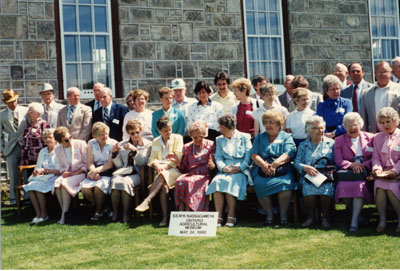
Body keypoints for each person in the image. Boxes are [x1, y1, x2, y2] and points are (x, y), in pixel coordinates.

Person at [251, 110, 298, 226]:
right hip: (263, 168)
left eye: (271, 122)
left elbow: (289, 153)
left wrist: (275, 164)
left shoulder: (286, 136)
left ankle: (283, 216)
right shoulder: (260, 137)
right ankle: (269, 215)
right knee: (260, 184)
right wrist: (263, 165)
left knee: (285, 185)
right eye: (265, 122)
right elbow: (254, 154)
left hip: (283, 168)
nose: (268, 125)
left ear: (278, 124)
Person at [135, 116, 183, 226]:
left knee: (163, 174)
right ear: (159, 131)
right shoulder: (156, 141)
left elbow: (179, 156)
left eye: (170, 129)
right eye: (165, 131)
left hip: (174, 170)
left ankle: (147, 200)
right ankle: (165, 217)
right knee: (164, 187)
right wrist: (156, 163)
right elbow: (151, 159)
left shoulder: (178, 138)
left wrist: (166, 166)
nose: (169, 132)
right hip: (160, 172)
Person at [206, 114, 252, 227]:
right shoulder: (219, 139)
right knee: (217, 182)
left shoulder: (245, 137)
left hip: (240, 169)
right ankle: (218, 216)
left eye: (222, 128)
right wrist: (223, 168)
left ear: (231, 128)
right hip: (225, 169)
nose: (220, 129)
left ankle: (231, 216)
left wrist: (240, 168)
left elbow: (248, 156)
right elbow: (218, 157)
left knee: (229, 182)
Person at [334, 112, 374, 232]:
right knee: (342, 186)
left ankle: (354, 221)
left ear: (360, 125)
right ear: (344, 127)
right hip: (348, 173)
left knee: (359, 186)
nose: (352, 128)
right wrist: (351, 165)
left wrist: (363, 165)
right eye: (348, 125)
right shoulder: (339, 140)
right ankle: (358, 216)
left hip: (365, 173)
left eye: (354, 125)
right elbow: (338, 160)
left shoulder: (371, 138)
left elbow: (375, 157)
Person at [294, 116, 335, 228]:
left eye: (321, 128)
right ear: (308, 130)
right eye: (316, 128)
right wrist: (305, 167)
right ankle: (311, 217)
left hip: (326, 177)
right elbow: (296, 162)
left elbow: (337, 161)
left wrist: (329, 169)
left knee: (325, 191)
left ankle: (325, 217)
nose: (319, 131)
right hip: (308, 176)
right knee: (309, 190)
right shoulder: (303, 145)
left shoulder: (331, 143)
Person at [110, 119, 152, 222]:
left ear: (141, 131)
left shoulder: (147, 144)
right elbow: (119, 165)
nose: (135, 135)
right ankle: (115, 212)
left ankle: (126, 213)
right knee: (115, 181)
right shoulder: (123, 143)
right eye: (132, 133)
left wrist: (135, 150)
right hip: (124, 171)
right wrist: (114, 154)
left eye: (137, 132)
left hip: (138, 173)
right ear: (128, 133)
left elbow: (142, 163)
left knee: (126, 183)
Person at [174, 121, 216, 211]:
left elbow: (214, 167)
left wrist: (212, 166)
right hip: (191, 173)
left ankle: (190, 213)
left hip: (205, 175)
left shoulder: (211, 145)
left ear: (204, 134)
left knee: (190, 182)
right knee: (179, 181)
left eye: (200, 136)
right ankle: (181, 214)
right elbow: (184, 168)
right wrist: (178, 164)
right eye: (195, 137)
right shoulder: (187, 147)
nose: (198, 139)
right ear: (191, 136)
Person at [80, 122, 118, 221]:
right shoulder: (91, 143)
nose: (104, 136)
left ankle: (98, 212)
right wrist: (93, 171)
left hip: (107, 171)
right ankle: (104, 207)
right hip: (94, 170)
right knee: (85, 189)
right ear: (94, 135)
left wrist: (95, 171)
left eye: (106, 133)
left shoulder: (113, 143)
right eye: (101, 134)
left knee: (98, 188)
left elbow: (110, 164)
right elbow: (89, 162)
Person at [371, 107, 400, 233]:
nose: (385, 125)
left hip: (397, 172)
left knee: (391, 187)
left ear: (395, 121)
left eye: (388, 121)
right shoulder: (377, 137)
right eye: (382, 122)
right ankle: (382, 220)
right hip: (383, 172)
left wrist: (394, 171)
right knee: (379, 186)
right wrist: (377, 169)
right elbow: (375, 157)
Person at [23, 129, 60, 224]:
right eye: (45, 138)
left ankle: (44, 214)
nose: (47, 140)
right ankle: (38, 214)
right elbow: (38, 166)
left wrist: (45, 170)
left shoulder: (59, 150)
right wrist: (37, 172)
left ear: (55, 138)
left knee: (38, 187)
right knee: (31, 186)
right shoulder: (43, 151)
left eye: (50, 137)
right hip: (43, 176)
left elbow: (60, 170)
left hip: (54, 176)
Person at [53, 126, 87, 224]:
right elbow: (60, 166)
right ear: (60, 142)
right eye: (66, 140)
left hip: (81, 174)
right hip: (69, 175)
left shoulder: (81, 144)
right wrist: (64, 172)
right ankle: (64, 212)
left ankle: (64, 216)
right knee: (57, 183)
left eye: (70, 137)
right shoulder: (58, 149)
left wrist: (74, 173)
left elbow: (85, 164)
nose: (70, 141)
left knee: (63, 183)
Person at [0, 89, 28, 205]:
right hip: (11, 148)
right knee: (13, 174)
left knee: (27, 173)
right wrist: (2, 149)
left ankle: (27, 198)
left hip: (25, 146)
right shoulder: (2, 115)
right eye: (11, 102)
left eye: (15, 101)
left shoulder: (25, 111)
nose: (14, 104)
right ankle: (14, 199)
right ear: (6, 103)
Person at [359, 61, 400, 133]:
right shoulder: (366, 93)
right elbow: (363, 117)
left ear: (390, 72)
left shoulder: (398, 89)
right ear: (375, 74)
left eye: (385, 71)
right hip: (374, 134)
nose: (382, 74)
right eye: (379, 72)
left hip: (396, 134)